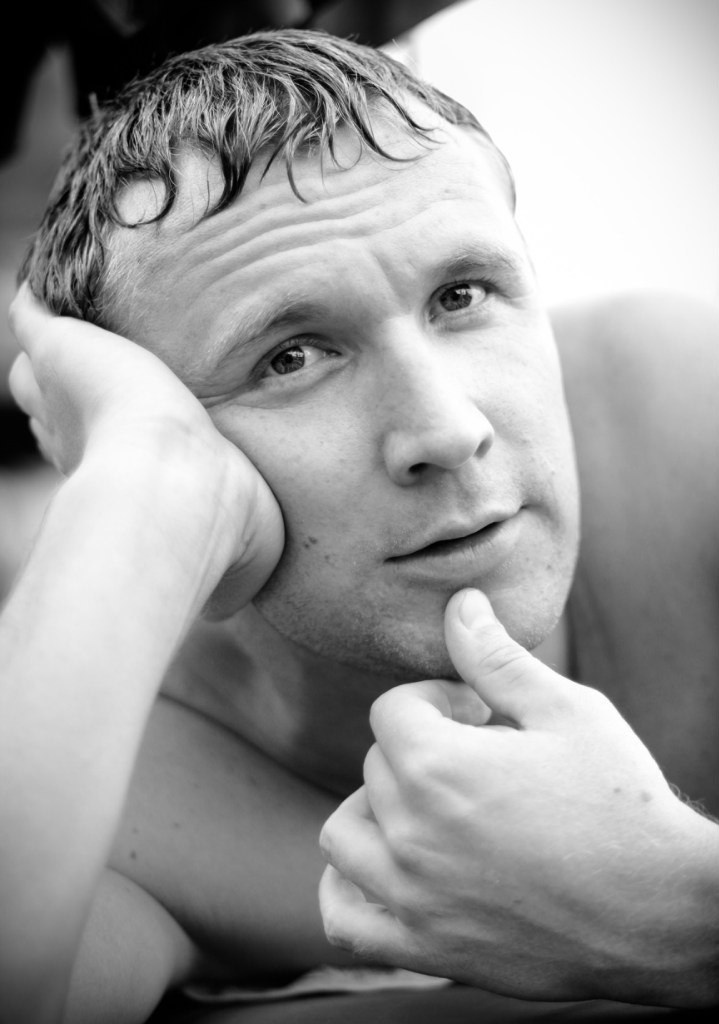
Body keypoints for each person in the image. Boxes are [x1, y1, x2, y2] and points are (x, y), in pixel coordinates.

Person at [0, 27, 717, 1024]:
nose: (448, 431)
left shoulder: (682, 414)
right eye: (290, 357)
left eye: (461, 295)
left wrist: (676, 909)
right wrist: (144, 473)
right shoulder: (115, 779)